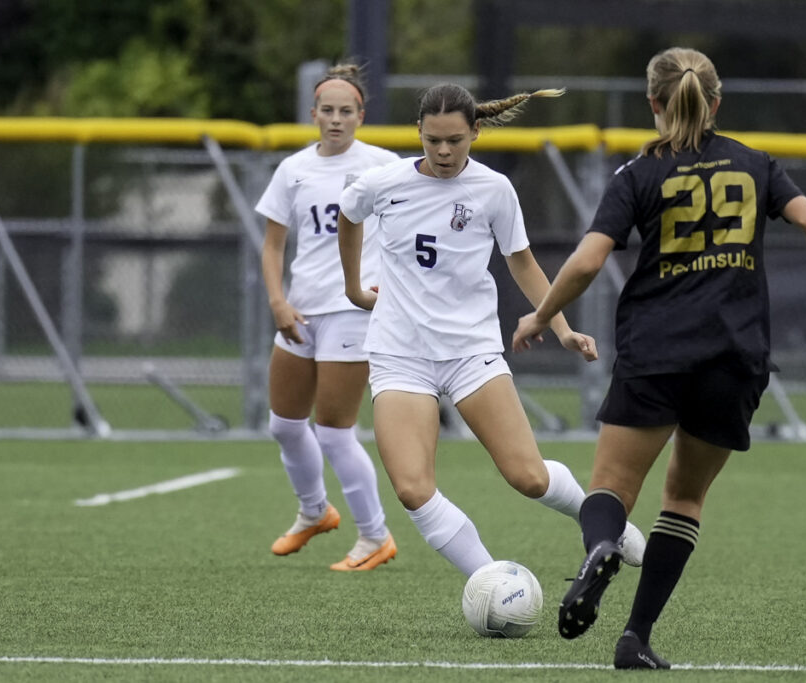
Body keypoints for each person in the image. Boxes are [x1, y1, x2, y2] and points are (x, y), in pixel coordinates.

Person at [513, 47, 806, 669]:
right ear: (717, 101)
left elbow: (590, 260)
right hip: (735, 356)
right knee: (682, 500)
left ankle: (601, 547)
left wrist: (542, 317)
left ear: (654, 103)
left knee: (611, 490)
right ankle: (636, 637)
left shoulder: (638, 175)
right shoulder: (754, 163)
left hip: (657, 350)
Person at [335, 82, 645, 579]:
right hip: (399, 353)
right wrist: (353, 288)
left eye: (454, 140)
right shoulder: (383, 183)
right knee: (413, 488)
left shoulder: (494, 189)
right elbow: (349, 218)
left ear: (476, 132)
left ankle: (602, 518)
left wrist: (559, 326)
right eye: (432, 139)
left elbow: (522, 264)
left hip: (470, 351)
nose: (442, 151)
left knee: (528, 477)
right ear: (418, 131)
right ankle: (492, 582)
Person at [254, 63, 399, 571]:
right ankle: (315, 511)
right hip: (302, 309)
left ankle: (375, 536)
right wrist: (278, 300)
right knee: (284, 425)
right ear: (313, 113)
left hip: (353, 308)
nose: (336, 119)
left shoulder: (384, 166)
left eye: (346, 111)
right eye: (327, 110)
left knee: (335, 430)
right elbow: (273, 247)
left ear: (361, 115)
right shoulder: (293, 169)